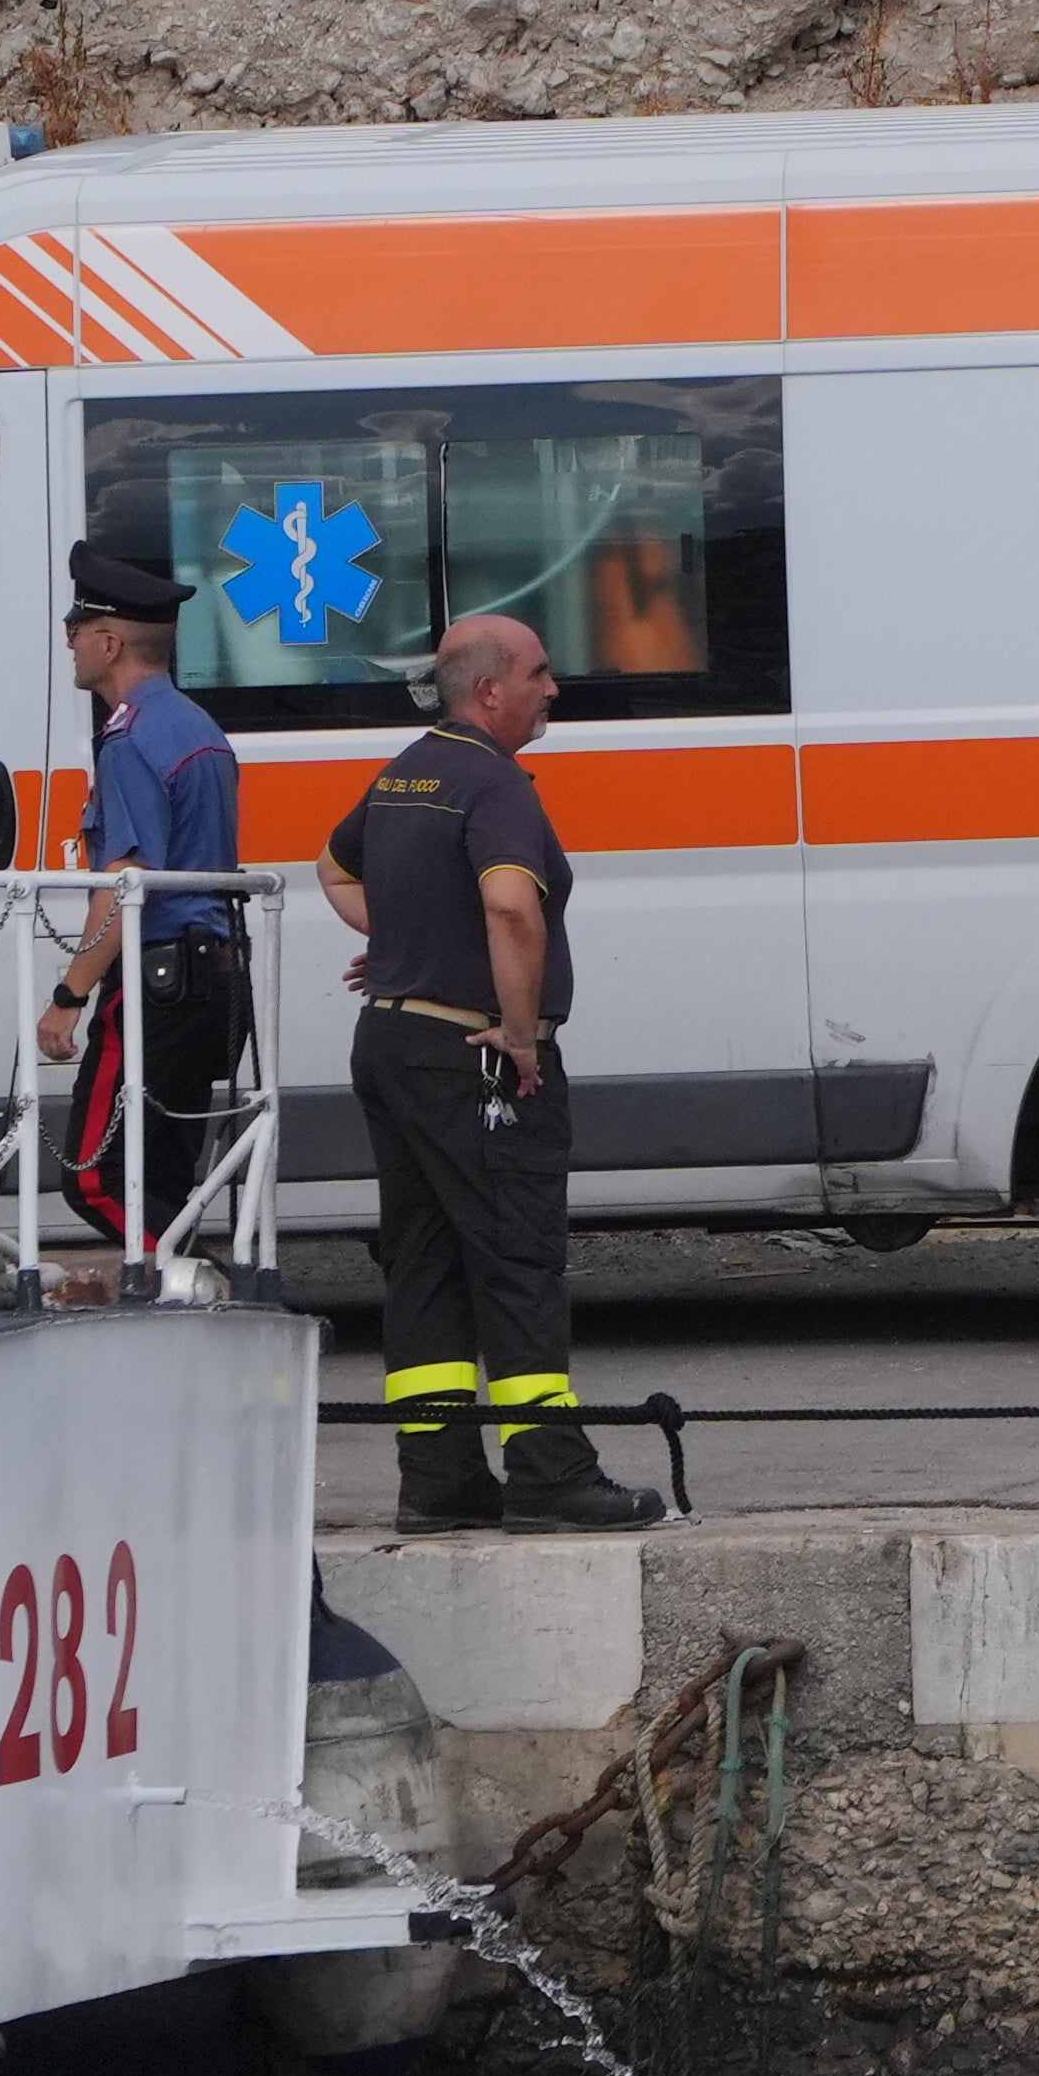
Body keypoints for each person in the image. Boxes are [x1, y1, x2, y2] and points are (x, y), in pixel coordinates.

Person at [319, 611, 660, 1533]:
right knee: (515, 1260)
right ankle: (549, 1470)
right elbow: (512, 908)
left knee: (425, 1267)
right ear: (490, 691)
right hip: (469, 1056)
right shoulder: (493, 782)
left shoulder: (407, 770)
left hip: (389, 1046)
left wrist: (402, 940)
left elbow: (332, 865)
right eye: (541, 673)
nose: (555, 687)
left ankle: (437, 1476)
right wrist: (519, 1034)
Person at [42, 545, 247, 1273]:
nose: (67, 637)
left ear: (109, 642)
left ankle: (199, 1284)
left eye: (78, 624)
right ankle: (183, 1301)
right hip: (212, 977)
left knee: (95, 1178)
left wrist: (69, 995)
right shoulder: (196, 727)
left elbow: (125, 880)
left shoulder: (128, 741)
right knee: (161, 1176)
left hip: (155, 985)